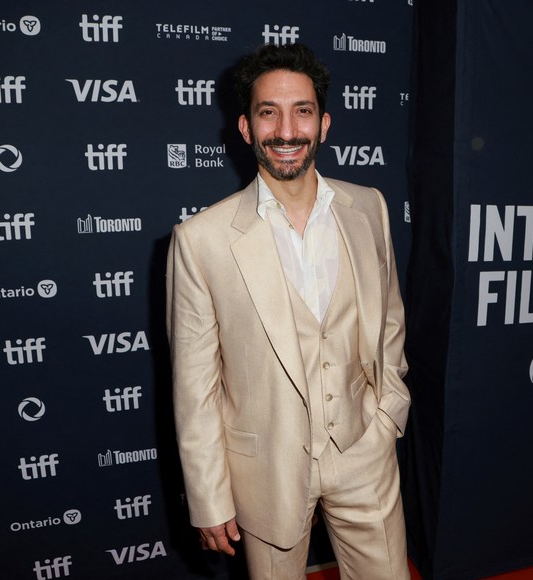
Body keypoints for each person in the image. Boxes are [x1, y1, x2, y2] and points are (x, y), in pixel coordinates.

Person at [166, 43, 411, 580]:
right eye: (268, 113)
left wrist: (389, 410)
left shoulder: (369, 207)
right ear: (245, 127)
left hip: (364, 449)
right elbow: (195, 384)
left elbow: (390, 320)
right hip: (266, 468)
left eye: (302, 111)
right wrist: (208, 495)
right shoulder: (201, 239)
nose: (286, 130)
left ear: (324, 124)